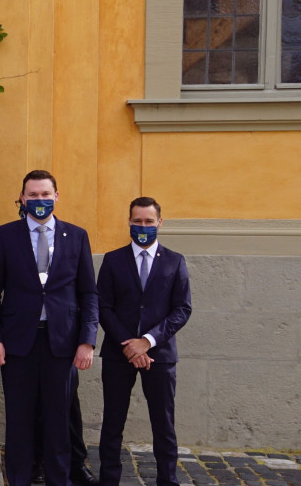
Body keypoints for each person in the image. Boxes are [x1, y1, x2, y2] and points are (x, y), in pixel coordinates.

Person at [0, 170, 99, 486]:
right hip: (17, 343)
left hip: (62, 343)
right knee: (19, 419)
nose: (39, 200)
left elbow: (89, 293)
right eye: (32, 195)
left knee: (59, 421)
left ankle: (58, 480)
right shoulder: (6, 236)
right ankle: (19, 479)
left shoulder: (76, 236)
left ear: (57, 196)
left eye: (45, 194)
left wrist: (87, 341)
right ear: (22, 198)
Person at [96, 197, 192, 486]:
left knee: (164, 426)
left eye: (149, 221)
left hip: (159, 355)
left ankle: (168, 480)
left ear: (160, 223)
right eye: (137, 221)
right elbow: (102, 306)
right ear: (129, 221)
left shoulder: (175, 262)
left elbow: (182, 309)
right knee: (112, 423)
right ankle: (109, 479)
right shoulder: (113, 260)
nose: (143, 226)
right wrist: (129, 344)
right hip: (118, 353)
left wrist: (147, 341)